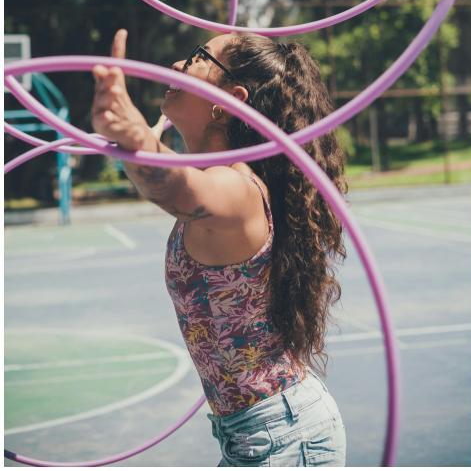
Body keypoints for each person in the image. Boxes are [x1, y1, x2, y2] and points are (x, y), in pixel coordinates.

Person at [92, 28, 348, 466]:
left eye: (197, 57)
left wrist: (137, 141)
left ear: (229, 100)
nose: (177, 65)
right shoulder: (226, 181)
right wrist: (141, 145)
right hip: (261, 432)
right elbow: (176, 181)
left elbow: (177, 189)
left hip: (283, 438)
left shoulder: (238, 188)